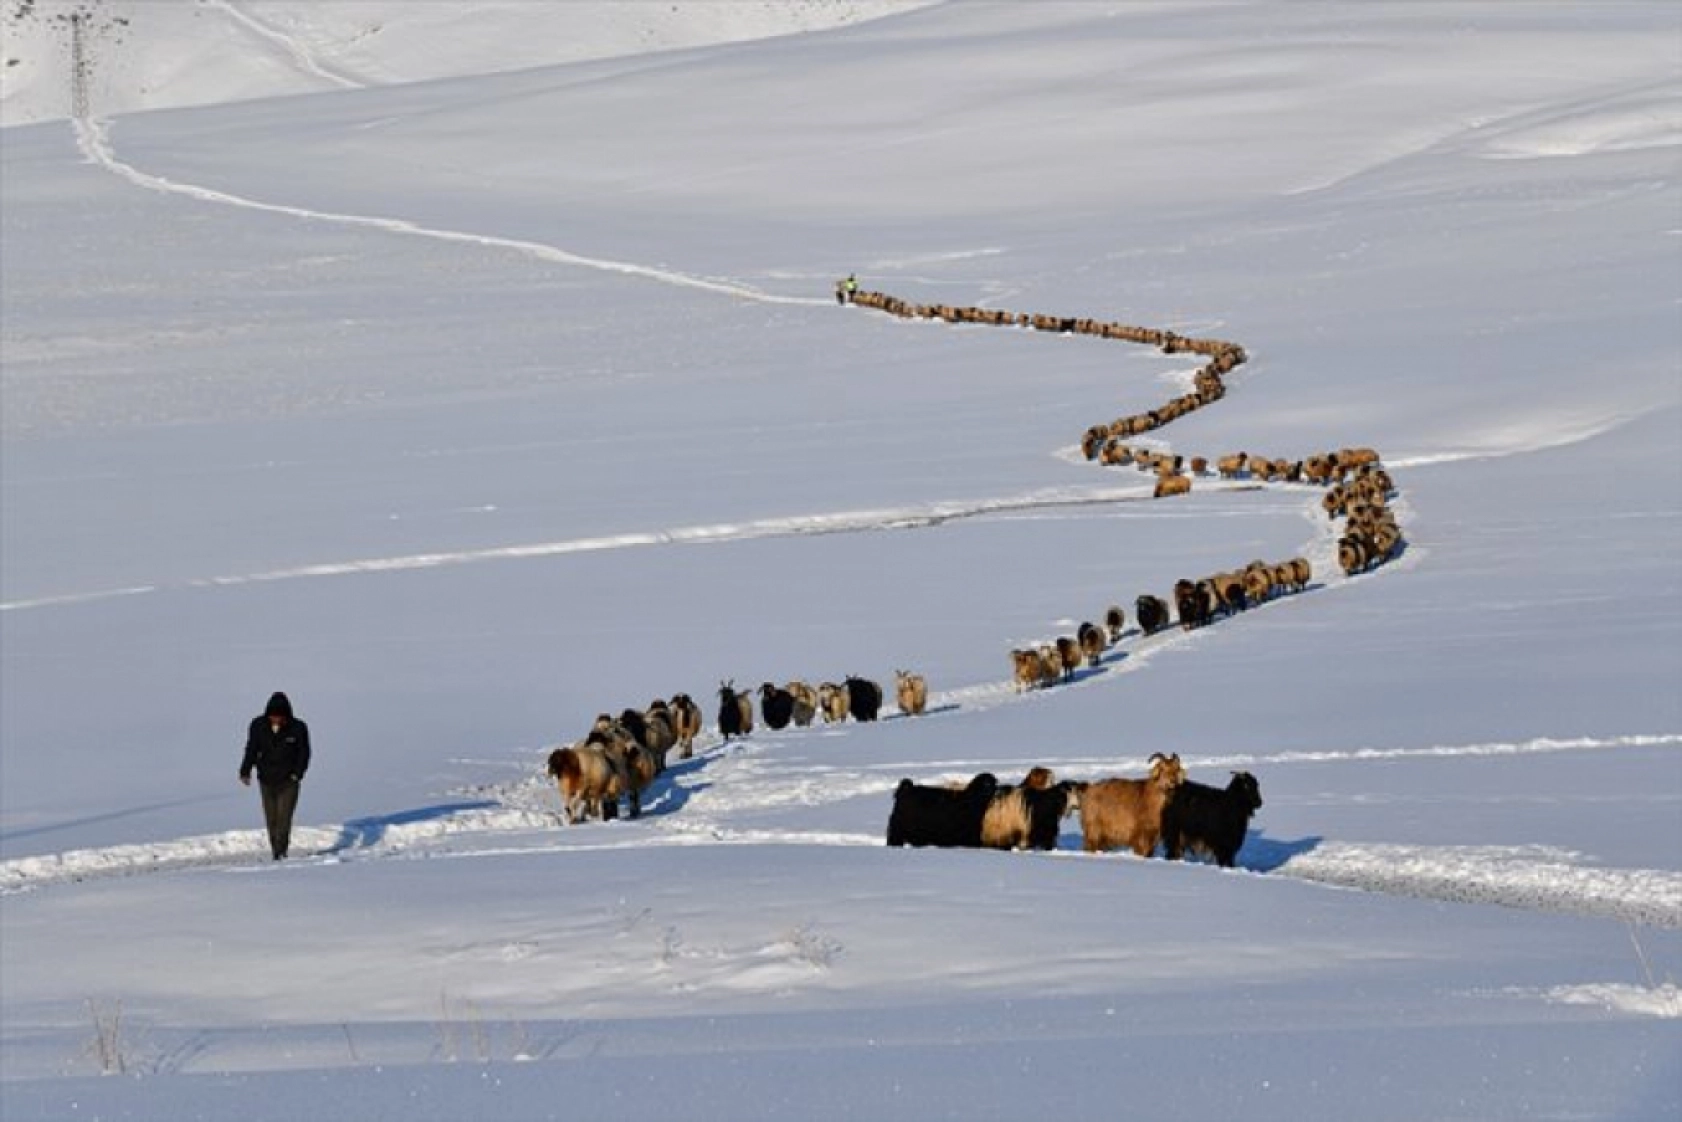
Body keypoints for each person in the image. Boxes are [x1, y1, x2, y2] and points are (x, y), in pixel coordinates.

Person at [239, 691, 311, 860]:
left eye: (279, 716)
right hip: (266, 779)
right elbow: (251, 748)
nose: (276, 719)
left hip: (289, 781)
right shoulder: (258, 726)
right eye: (273, 716)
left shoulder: (298, 728)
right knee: (271, 819)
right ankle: (275, 851)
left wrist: (297, 774)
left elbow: (304, 753)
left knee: (284, 819)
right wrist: (245, 770)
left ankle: (281, 852)